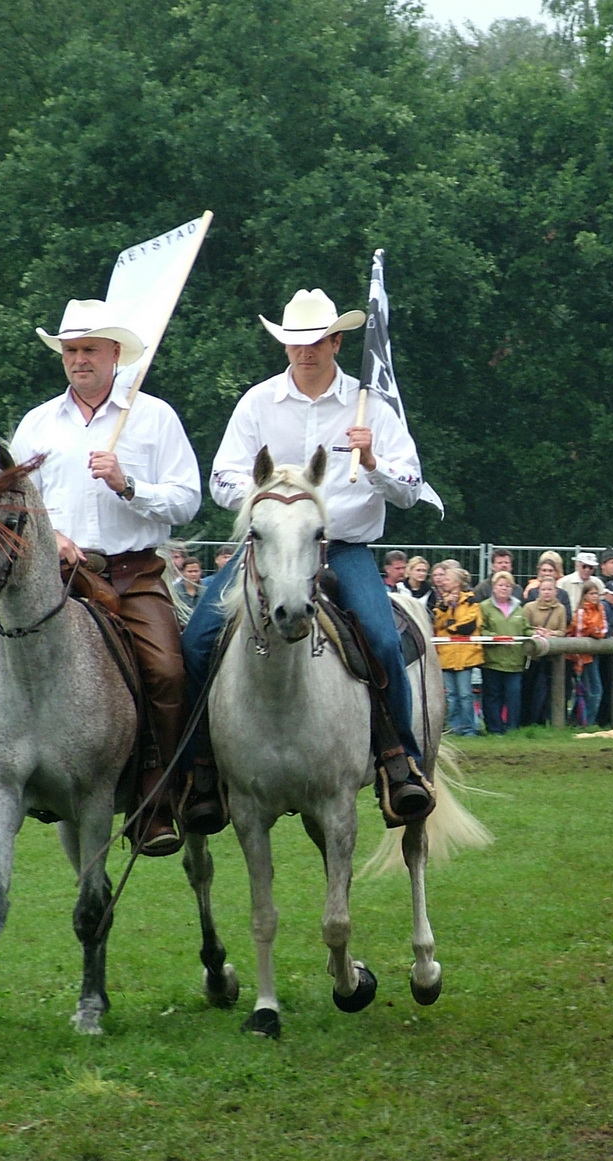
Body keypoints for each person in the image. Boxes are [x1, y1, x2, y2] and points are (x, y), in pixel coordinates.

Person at [0, 297, 202, 856]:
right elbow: (9, 502)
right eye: (70, 350)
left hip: (130, 575)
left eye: (89, 349)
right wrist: (49, 534)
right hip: (49, 575)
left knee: (168, 669)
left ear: (114, 354)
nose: (79, 359)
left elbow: (187, 501)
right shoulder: (37, 423)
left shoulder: (154, 417)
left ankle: (157, 794)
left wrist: (129, 485)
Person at [185, 286, 435, 826]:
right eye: (295, 342)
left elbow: (411, 487)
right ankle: (199, 769)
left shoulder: (372, 407)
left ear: (337, 341)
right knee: (197, 638)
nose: (305, 352)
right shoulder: (256, 403)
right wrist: (270, 491)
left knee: (383, 636)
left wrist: (371, 460)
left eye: (316, 341)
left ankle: (400, 763)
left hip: (343, 549)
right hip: (270, 548)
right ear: (284, 346)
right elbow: (223, 477)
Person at [432, 561, 483, 737]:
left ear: (457, 582)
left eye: (447, 578)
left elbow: (467, 626)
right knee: (451, 696)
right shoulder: (441, 604)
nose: (443, 581)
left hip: (465, 656)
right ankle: (454, 728)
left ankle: (469, 728)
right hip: (446, 655)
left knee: (465, 695)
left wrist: (450, 626)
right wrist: (445, 611)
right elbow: (437, 623)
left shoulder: (471, 601)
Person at [478, 570, 529, 733]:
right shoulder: (484, 607)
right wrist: (497, 638)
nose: (504, 588)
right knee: (492, 697)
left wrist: (536, 635)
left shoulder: (519, 608)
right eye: (500, 585)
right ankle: (494, 729)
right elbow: (480, 630)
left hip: (515, 662)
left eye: (507, 586)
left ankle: (513, 728)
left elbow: (525, 629)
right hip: (493, 661)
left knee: (514, 696)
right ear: (493, 587)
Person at [521, 576, 568, 725]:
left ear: (556, 592)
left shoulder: (560, 608)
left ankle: (543, 720)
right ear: (538, 591)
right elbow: (524, 627)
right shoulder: (529, 607)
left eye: (550, 589)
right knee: (530, 689)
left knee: (548, 690)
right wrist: (538, 632)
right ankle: (527, 721)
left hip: (552, 656)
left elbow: (562, 631)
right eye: (543, 589)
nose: (547, 592)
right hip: (533, 656)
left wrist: (551, 634)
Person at [566, 576, 608, 727]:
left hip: (593, 655)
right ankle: (585, 722)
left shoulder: (601, 609)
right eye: (591, 594)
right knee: (590, 691)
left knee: (590, 691)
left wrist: (594, 631)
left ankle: (581, 721)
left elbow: (603, 629)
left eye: (596, 593)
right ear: (584, 595)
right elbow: (579, 633)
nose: (595, 597)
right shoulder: (581, 612)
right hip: (582, 657)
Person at [170, 555, 205, 621]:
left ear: (200, 572)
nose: (193, 574)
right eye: (190, 571)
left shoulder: (206, 592)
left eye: (196, 571)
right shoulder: (175, 591)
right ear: (183, 572)